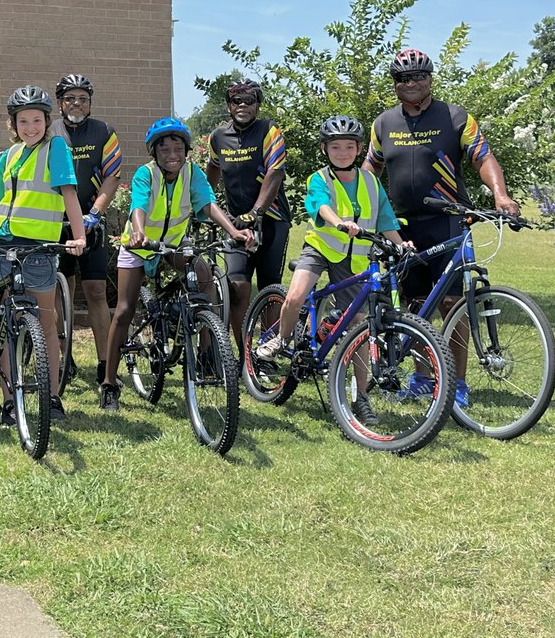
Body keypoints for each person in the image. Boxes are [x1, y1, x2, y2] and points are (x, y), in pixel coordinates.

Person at [362, 48, 520, 407]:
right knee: (415, 308)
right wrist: (361, 207)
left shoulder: (455, 117)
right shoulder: (383, 123)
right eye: (403, 78)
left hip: (448, 222)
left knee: (453, 305)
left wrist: (501, 195)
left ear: (431, 79)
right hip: (402, 228)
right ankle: (422, 377)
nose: (411, 83)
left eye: (418, 76)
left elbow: (483, 155)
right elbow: (371, 169)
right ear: (395, 84)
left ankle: (457, 385)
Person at [260, 115, 412, 427]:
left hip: (352, 259)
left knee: (358, 325)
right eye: (335, 147)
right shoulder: (320, 178)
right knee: (296, 296)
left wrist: (402, 243)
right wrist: (339, 221)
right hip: (320, 249)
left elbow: (385, 219)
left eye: (348, 147)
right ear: (325, 149)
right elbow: (321, 205)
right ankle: (283, 339)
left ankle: (360, 397)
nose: (342, 152)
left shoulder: (371, 182)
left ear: (359, 149)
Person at [99, 118, 255, 412]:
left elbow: (208, 204)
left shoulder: (193, 174)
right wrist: (140, 232)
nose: (172, 155)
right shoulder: (147, 174)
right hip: (140, 245)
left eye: (178, 148)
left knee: (204, 273)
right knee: (124, 310)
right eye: (165, 149)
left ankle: (208, 352)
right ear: (154, 153)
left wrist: (233, 232)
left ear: (186, 150)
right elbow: (139, 205)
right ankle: (109, 383)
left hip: (172, 244)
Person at [0, 86, 86, 424]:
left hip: (38, 247)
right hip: (4, 245)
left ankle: (51, 397)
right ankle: (10, 402)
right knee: (6, 323)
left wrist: (79, 234)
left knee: (46, 323)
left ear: (46, 121)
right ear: (14, 124)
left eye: (36, 120)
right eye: (23, 121)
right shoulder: (9, 155)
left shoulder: (56, 148)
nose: (30, 127)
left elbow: (68, 192)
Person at [204, 79, 291, 339]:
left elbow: (274, 174)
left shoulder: (269, 130)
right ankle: (245, 352)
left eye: (249, 100)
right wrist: (204, 203)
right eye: (236, 100)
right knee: (237, 286)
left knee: (269, 288)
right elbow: (212, 168)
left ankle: (265, 350)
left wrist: (255, 213)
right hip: (236, 223)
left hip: (272, 220)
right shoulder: (219, 136)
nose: (242, 105)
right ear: (229, 106)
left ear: (258, 104)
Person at [53, 74, 123, 384]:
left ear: (90, 103)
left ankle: (105, 364)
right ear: (59, 103)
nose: (76, 103)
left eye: (82, 98)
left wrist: (95, 213)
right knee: (59, 289)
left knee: (96, 291)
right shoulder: (49, 131)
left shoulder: (104, 131)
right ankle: (61, 358)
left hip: (91, 221)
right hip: (55, 223)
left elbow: (112, 177)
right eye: (70, 98)